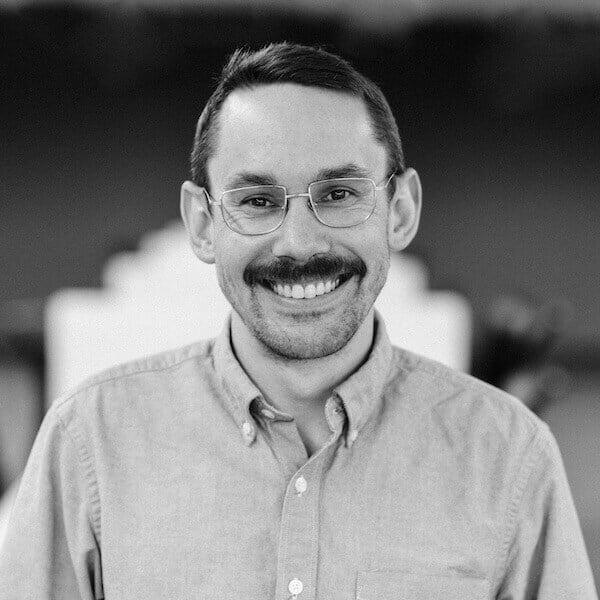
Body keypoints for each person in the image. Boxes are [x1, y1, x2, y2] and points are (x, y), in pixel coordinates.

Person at [0, 43, 596, 600]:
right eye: (257, 201)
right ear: (203, 224)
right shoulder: (89, 443)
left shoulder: (510, 457)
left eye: (338, 194)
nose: (300, 243)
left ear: (401, 211)